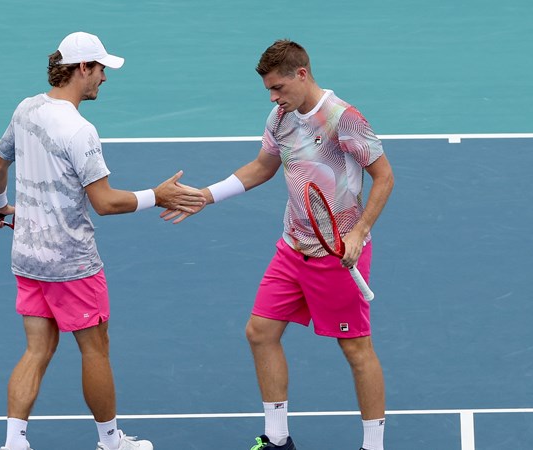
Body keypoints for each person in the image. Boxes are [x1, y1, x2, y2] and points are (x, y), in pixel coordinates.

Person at [162, 39, 394, 450]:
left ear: (301, 75)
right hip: (292, 248)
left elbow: (385, 177)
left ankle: (373, 446)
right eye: (269, 90)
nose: (273, 97)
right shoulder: (280, 117)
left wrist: (358, 233)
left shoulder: (344, 119)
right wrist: (207, 195)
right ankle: (277, 438)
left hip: (335, 254)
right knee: (260, 331)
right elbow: (262, 167)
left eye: (278, 88)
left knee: (357, 349)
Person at [0, 31, 205, 450]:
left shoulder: (26, 109)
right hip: (72, 265)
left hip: (28, 259)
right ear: (82, 68)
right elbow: (104, 202)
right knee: (95, 350)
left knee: (36, 349)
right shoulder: (80, 130)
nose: (104, 78)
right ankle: (111, 442)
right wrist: (156, 195)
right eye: (101, 69)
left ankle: (14, 443)